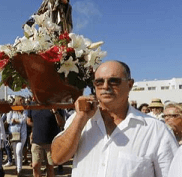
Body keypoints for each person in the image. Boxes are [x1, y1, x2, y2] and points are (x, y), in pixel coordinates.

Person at [51, 61, 179, 177]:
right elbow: (57, 158)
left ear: (129, 85)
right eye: (99, 82)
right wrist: (79, 120)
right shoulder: (80, 119)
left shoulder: (156, 130)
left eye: (113, 81)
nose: (105, 86)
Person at [27, 102, 65, 177]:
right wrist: (38, 127)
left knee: (50, 167)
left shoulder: (56, 105)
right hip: (36, 142)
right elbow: (28, 121)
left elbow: (61, 123)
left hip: (51, 143)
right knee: (35, 166)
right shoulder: (32, 105)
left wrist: (55, 112)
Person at [5, 96, 27, 176]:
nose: (22, 101)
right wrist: (14, 121)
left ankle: (19, 170)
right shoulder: (11, 110)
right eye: (21, 100)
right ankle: (17, 167)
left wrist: (16, 120)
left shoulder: (24, 109)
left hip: (22, 135)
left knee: (18, 151)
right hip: (13, 135)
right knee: (15, 152)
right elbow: (8, 120)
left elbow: (24, 120)